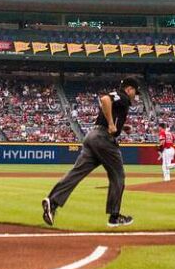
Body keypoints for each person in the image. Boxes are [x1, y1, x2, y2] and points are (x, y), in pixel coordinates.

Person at [41, 77, 140, 228]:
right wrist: (112, 124)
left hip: (92, 136)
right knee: (118, 176)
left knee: (76, 172)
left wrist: (121, 127)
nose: (135, 95)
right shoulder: (124, 96)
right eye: (135, 92)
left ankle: (52, 202)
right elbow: (105, 99)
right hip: (104, 140)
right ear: (129, 89)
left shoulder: (122, 99)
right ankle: (114, 216)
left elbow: (108, 110)